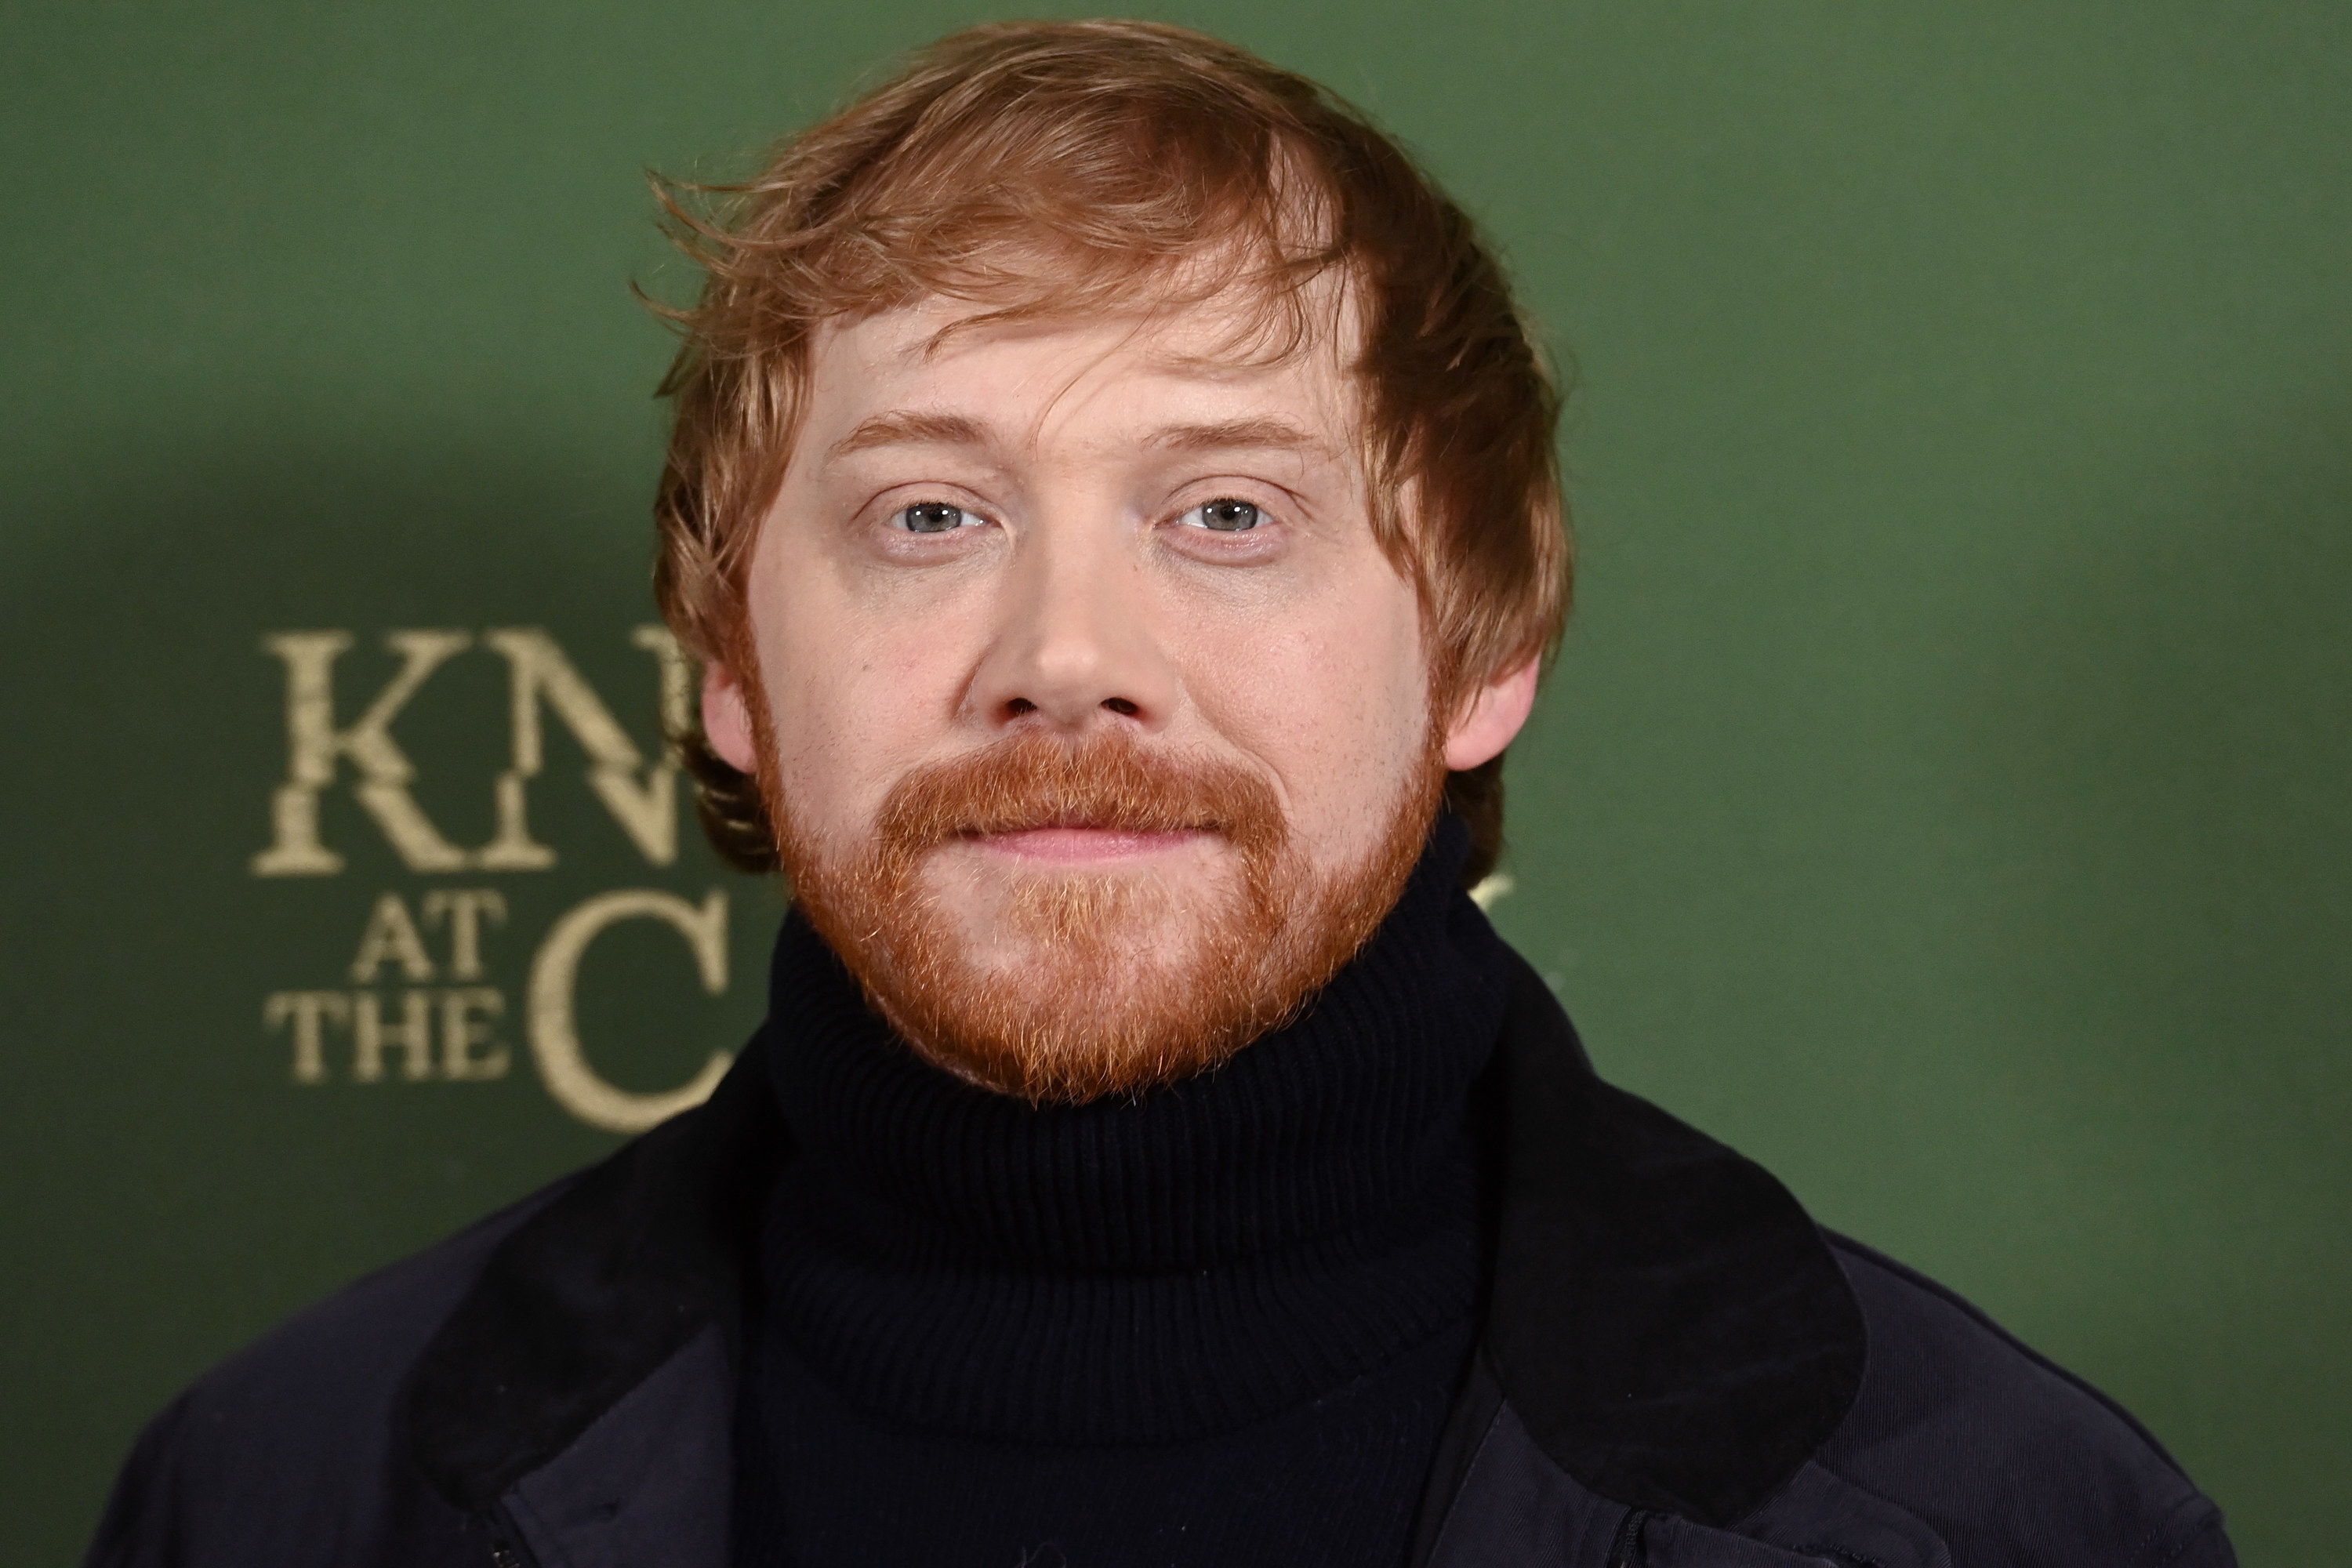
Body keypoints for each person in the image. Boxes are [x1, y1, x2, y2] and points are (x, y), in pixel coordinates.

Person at [88, 20, 2234, 1568]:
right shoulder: (283, 1490)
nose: (1066, 653)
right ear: (732, 666)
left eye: (1225, 510)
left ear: (1483, 652)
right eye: (930, 513)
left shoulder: (1995, 1514)